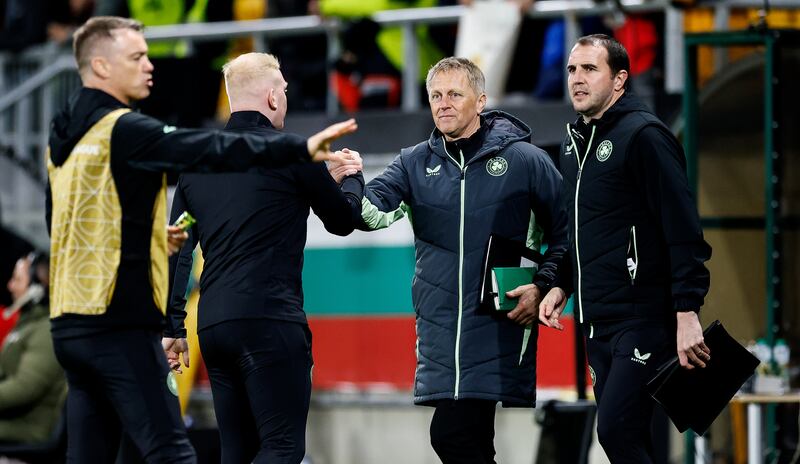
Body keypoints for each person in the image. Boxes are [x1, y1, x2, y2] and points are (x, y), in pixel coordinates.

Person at [46, 16, 356, 463]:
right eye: (138, 57)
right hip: (132, 320)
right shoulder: (129, 130)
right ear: (100, 65)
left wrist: (173, 323)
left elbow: (164, 241)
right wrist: (300, 152)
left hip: (79, 321)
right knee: (206, 451)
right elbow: (212, 149)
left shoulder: (64, 140)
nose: (152, 66)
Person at [328, 56, 569, 463]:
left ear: (480, 100)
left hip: (500, 323)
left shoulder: (525, 161)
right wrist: (350, 179)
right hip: (440, 330)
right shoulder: (413, 162)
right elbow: (368, 215)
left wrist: (545, 284)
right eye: (436, 95)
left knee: (452, 434)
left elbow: (568, 233)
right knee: (466, 441)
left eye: (455, 94)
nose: (444, 103)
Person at [164, 52, 365, 464]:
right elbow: (343, 221)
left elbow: (178, 247)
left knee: (236, 452)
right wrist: (354, 180)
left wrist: (173, 325)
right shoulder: (292, 153)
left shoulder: (197, 162)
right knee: (282, 447)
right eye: (285, 92)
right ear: (273, 98)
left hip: (215, 328)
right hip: (269, 322)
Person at [538, 34, 712, 463]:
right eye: (572, 69)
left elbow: (683, 227)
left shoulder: (646, 136)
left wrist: (687, 311)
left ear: (619, 80)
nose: (577, 79)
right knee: (633, 438)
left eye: (590, 69)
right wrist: (561, 283)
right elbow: (580, 230)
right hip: (597, 321)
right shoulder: (573, 145)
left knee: (615, 431)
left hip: (643, 317)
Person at [0, 253, 66, 444]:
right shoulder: (29, 324)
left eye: (17, 279)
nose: (10, 286)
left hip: (29, 428)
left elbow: (24, 388)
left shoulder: (45, 330)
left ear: (38, 289)